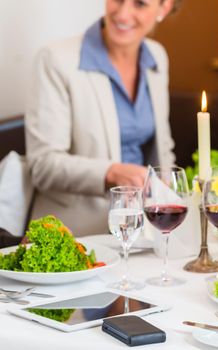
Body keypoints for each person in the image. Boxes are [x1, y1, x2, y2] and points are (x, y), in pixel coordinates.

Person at [25, 0, 177, 236]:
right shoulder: (55, 60)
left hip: (144, 229)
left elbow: (163, 148)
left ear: (164, 8)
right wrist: (111, 172)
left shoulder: (157, 56)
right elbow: (44, 165)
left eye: (140, 4)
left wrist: (170, 193)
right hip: (77, 233)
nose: (123, 14)